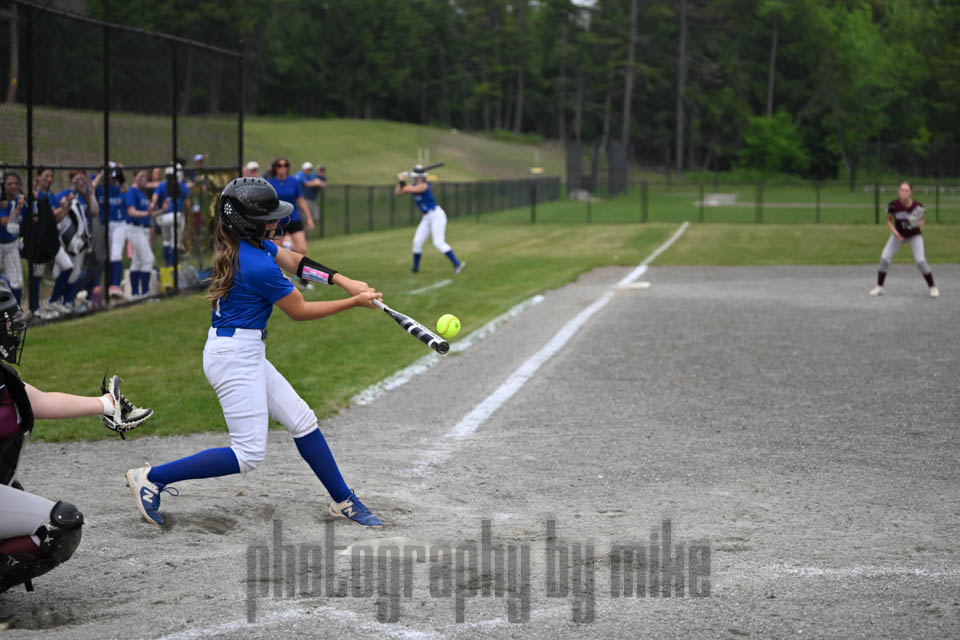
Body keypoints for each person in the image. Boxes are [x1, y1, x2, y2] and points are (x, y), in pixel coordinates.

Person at [124, 177, 384, 529]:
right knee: (247, 454)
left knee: (302, 421)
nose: (277, 222)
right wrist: (353, 302)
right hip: (234, 357)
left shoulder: (248, 244)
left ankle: (343, 500)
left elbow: (295, 260)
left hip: (241, 350)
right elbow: (300, 311)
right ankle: (152, 478)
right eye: (269, 218)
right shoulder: (258, 265)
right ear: (248, 223)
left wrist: (343, 280)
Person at [0, 279, 152, 626]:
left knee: (30, 502)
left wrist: (106, 404)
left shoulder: (4, 380)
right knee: (57, 524)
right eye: (5, 325)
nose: (11, 333)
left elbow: (41, 401)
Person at [869, 181, 939, 298]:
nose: (904, 192)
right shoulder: (893, 205)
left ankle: (933, 287)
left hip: (914, 235)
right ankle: (879, 287)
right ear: (898, 191)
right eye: (902, 190)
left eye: (906, 190)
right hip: (899, 235)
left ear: (911, 192)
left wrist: (917, 225)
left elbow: (922, 220)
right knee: (885, 257)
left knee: (920, 261)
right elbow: (889, 220)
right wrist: (896, 233)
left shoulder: (917, 205)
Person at [394, 164, 465, 274]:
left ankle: (457, 264)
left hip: (436, 215)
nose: (419, 179)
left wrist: (402, 180)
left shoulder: (424, 186)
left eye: (420, 177)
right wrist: (400, 180)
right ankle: (415, 269)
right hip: (427, 217)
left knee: (438, 242)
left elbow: (406, 188)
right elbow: (398, 193)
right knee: (417, 242)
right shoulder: (413, 185)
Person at [266, 157, 315, 267]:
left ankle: (301, 276)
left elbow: (300, 200)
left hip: (294, 218)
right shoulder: (270, 182)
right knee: (277, 252)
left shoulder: (293, 181)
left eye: (285, 165)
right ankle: (279, 275)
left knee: (302, 249)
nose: (283, 168)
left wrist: (309, 218)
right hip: (277, 221)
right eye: (279, 165)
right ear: (275, 168)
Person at [151, 164, 192, 268]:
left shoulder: (161, 185)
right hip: (176, 216)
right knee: (175, 242)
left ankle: (166, 265)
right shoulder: (181, 185)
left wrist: (154, 206)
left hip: (163, 217)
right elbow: (188, 204)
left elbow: (154, 199)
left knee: (166, 241)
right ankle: (172, 267)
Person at [124, 170, 157, 298]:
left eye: (145, 176)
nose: (144, 178)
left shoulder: (142, 193)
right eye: (141, 176)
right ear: (135, 177)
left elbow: (148, 214)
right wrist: (146, 213)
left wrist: (162, 210)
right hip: (135, 228)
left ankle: (134, 294)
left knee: (137, 261)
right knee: (148, 259)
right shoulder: (132, 191)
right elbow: (131, 212)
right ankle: (145, 293)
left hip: (143, 229)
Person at [97, 165, 128, 300]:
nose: (111, 177)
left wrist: (120, 176)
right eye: (109, 174)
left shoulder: (118, 188)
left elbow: (126, 190)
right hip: (105, 224)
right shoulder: (99, 188)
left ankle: (115, 286)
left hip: (120, 224)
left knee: (116, 254)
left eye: (113, 174)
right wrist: (103, 173)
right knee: (107, 256)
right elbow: (92, 186)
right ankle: (109, 286)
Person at [0, 173, 27, 305]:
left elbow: (30, 219)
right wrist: (17, 208)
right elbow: (9, 226)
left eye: (15, 183)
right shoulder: (3, 203)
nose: (13, 186)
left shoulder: (19, 201)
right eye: (9, 184)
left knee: (17, 282)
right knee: (4, 281)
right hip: (0, 244)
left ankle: (15, 312)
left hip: (11, 244)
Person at [294, 161, 326, 230]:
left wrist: (319, 181)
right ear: (303, 169)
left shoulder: (308, 175)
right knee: (303, 218)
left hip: (305, 199)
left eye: (310, 169)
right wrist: (317, 182)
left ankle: (304, 230)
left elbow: (321, 182)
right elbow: (307, 184)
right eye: (308, 169)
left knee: (312, 217)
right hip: (300, 199)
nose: (309, 171)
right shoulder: (301, 174)